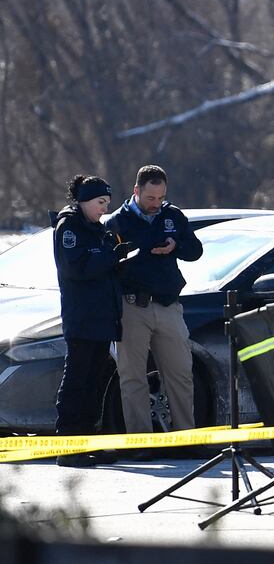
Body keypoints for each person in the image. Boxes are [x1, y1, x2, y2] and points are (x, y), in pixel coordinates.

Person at [105, 165, 202, 435]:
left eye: (160, 198)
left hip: (168, 305)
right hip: (132, 306)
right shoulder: (117, 222)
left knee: (181, 375)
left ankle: (186, 438)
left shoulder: (172, 216)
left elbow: (196, 251)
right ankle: (140, 442)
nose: (156, 204)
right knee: (133, 378)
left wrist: (176, 246)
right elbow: (106, 267)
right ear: (136, 191)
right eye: (150, 198)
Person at [52, 174, 130, 466]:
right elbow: (76, 268)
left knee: (95, 381)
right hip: (82, 318)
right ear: (84, 200)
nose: (103, 209)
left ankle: (88, 440)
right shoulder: (69, 227)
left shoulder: (98, 230)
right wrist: (111, 257)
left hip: (103, 319)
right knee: (77, 380)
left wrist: (120, 261)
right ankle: (68, 446)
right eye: (99, 202)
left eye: (107, 203)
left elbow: (103, 269)